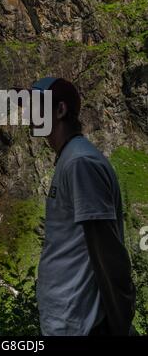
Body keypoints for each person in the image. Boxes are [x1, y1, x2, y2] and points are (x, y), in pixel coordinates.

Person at [14, 76, 136, 336]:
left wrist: (119, 322)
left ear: (60, 110)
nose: (28, 113)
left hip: (83, 323)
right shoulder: (70, 158)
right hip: (67, 319)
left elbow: (106, 248)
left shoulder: (81, 163)